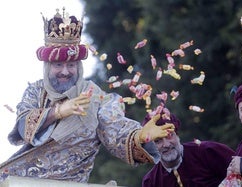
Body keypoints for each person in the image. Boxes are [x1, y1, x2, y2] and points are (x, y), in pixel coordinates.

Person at [0, 8, 175, 184]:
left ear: (79, 66)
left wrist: (139, 137)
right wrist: (58, 111)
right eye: (58, 64)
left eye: (71, 65)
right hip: (24, 180)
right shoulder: (35, 91)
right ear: (47, 66)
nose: (65, 72)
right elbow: (24, 128)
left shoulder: (97, 97)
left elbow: (114, 129)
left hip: (73, 183)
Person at [141, 109, 235, 187]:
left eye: (169, 136)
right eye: (158, 141)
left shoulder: (208, 152)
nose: (166, 144)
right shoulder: (151, 182)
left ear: (177, 135)